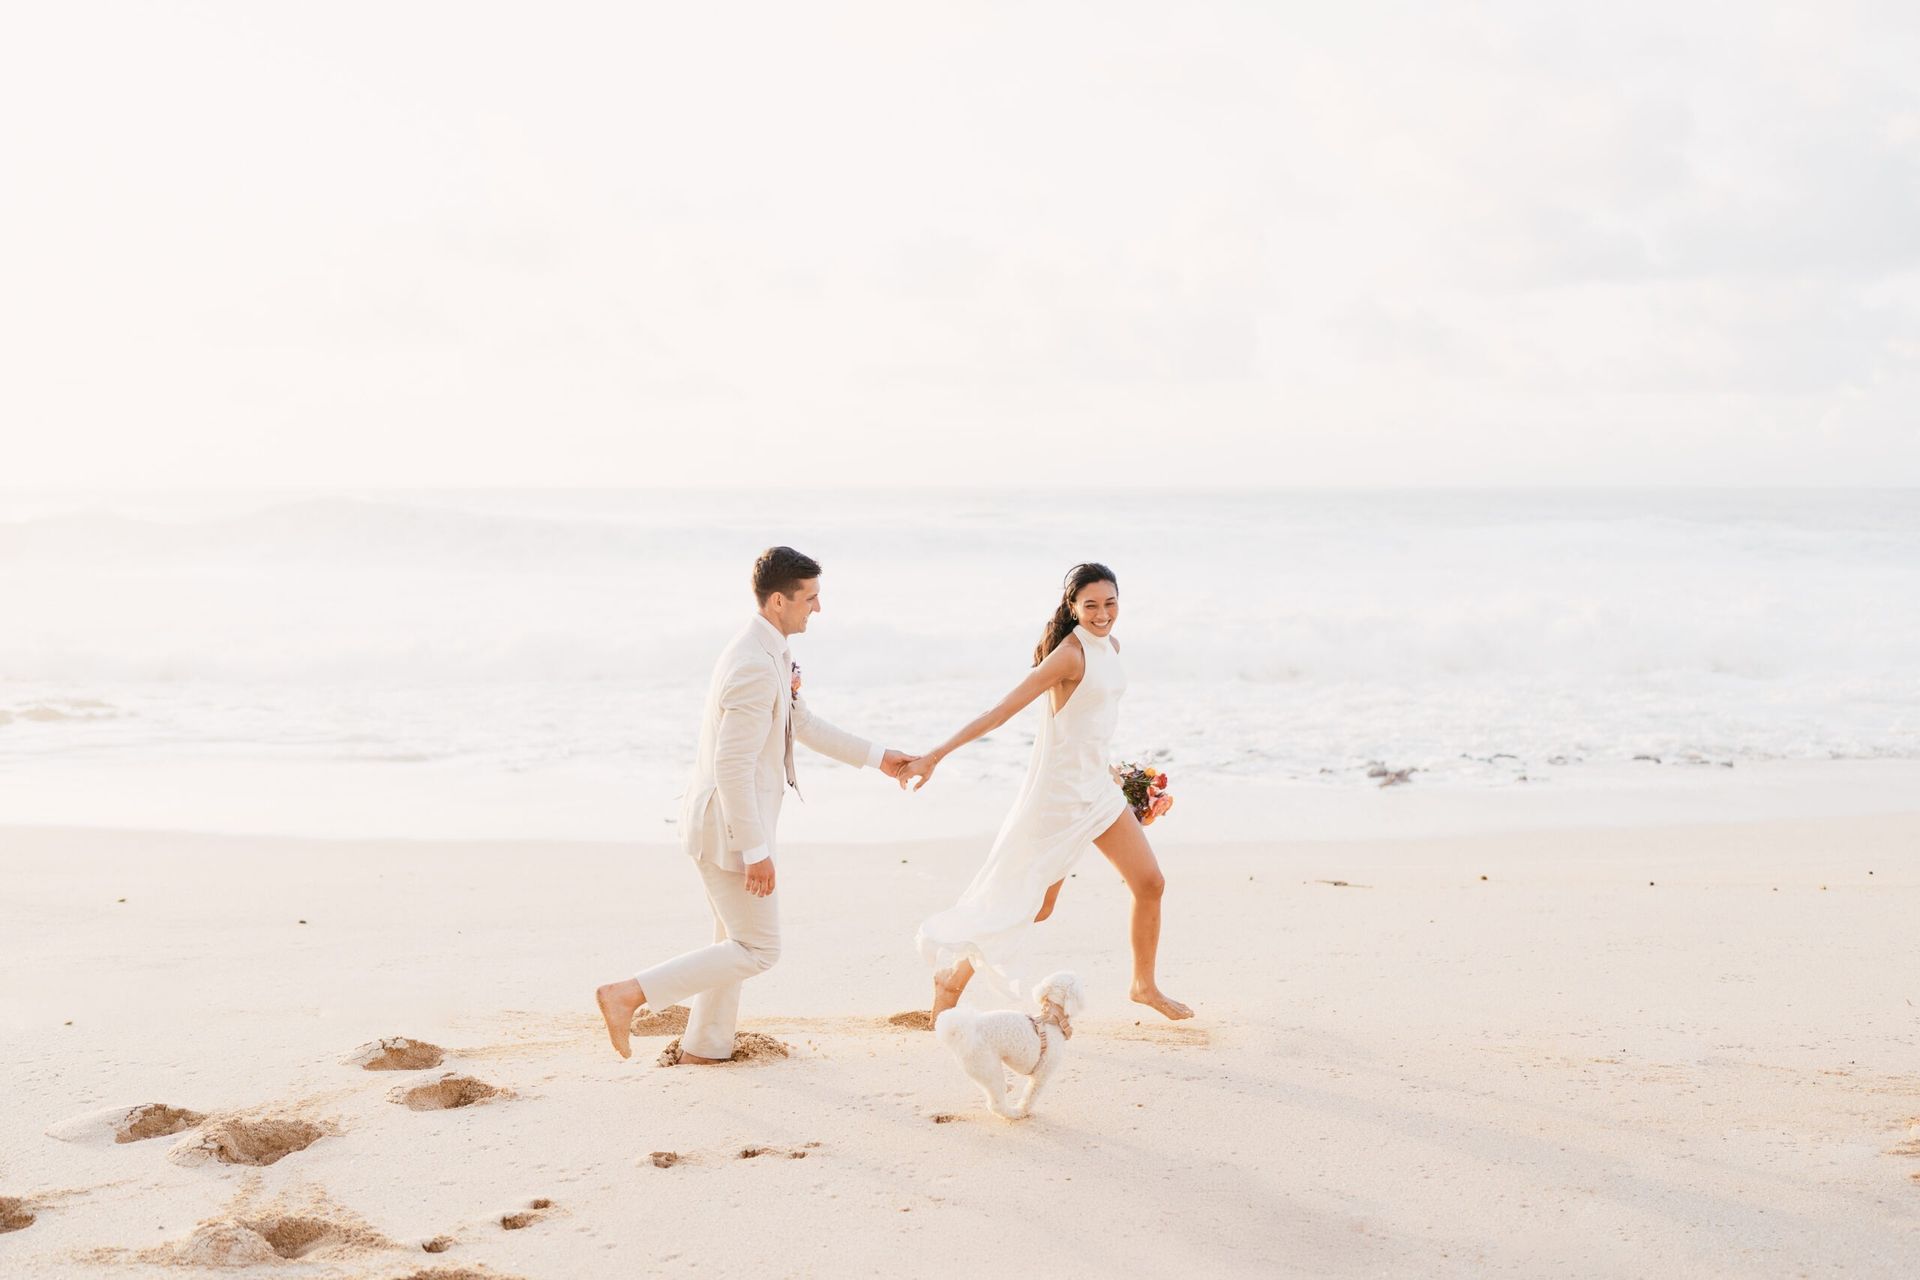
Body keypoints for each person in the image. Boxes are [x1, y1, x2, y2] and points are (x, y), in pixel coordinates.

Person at [594, 546, 910, 1062]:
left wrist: (881, 759)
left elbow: (800, 723)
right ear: (780, 601)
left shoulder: (770, 651)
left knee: (732, 941)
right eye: (811, 598)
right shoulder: (753, 665)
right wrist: (755, 850)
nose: (819, 608)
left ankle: (706, 1045)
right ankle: (627, 994)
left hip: (735, 822)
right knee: (759, 949)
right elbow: (732, 767)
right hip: (729, 829)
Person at [901, 562, 1192, 1023]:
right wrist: (936, 754)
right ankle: (951, 978)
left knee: (1150, 883)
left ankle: (1143, 986)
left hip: (1098, 790)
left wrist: (1119, 776)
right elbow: (1000, 711)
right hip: (1059, 801)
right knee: (1034, 906)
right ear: (1072, 607)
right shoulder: (1069, 656)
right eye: (1091, 605)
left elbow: (1090, 725)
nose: (1102, 613)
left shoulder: (1111, 647)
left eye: (1110, 603)